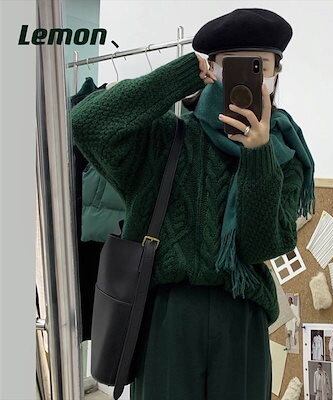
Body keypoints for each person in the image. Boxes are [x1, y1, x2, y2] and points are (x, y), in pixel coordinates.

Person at [71, 8, 315, 400]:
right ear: (213, 69)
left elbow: (263, 245)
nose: (248, 77)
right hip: (167, 318)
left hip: (242, 320)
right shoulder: (167, 138)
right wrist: (180, 75)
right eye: (234, 65)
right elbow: (87, 124)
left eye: (260, 66)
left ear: (275, 75)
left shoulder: (284, 153)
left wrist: (258, 155)